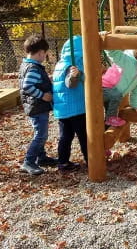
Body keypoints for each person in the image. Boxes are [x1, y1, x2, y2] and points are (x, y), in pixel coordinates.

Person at [19, 34, 58, 175]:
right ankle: (28, 161)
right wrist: (43, 95)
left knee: (40, 132)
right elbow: (27, 86)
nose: (45, 57)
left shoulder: (27, 65)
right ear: (41, 52)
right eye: (45, 54)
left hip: (34, 106)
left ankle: (41, 157)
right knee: (41, 134)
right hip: (37, 106)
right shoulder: (34, 68)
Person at [52, 36, 88, 172]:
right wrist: (74, 76)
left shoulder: (59, 63)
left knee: (65, 137)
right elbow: (70, 83)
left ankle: (63, 162)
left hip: (63, 110)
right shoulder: (72, 66)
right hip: (76, 109)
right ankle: (91, 160)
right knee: (84, 136)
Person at [102, 49, 137, 127]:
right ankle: (110, 119)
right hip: (105, 87)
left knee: (111, 111)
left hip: (114, 95)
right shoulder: (127, 60)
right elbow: (113, 53)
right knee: (116, 96)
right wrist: (109, 44)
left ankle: (107, 127)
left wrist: (136, 104)